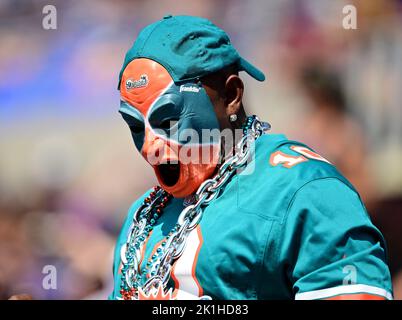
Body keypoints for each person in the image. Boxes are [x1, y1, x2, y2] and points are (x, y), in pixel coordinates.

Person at [110, 15, 392, 300]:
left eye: (169, 120)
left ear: (231, 95)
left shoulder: (305, 191)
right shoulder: (143, 217)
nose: (150, 146)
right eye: (136, 126)